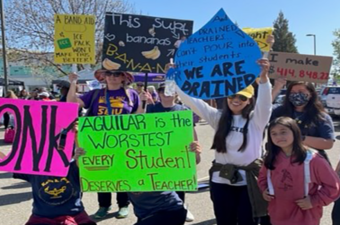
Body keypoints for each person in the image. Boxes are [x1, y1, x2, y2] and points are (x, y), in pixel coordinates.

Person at [175, 59, 272, 225]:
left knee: (247, 220)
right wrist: (175, 77)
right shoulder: (218, 118)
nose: (236, 99)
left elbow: (265, 103)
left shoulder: (256, 119)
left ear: (249, 100)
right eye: (233, 95)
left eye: (242, 97)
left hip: (247, 182)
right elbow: (193, 102)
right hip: (221, 180)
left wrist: (264, 79)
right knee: (224, 220)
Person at [67, 69, 149, 219]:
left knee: (123, 172)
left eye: (117, 74)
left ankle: (123, 205)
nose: (112, 77)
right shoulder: (95, 94)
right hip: (98, 142)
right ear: (104, 77)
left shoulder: (131, 95)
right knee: (101, 171)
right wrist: (73, 83)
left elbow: (138, 118)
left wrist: (144, 103)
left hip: (123, 142)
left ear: (123, 77)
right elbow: (72, 104)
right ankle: (103, 205)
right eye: (109, 74)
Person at [258, 117, 340, 225]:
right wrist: (265, 190)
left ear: (295, 133)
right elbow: (263, 178)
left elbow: (333, 186)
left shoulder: (313, 159)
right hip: (277, 215)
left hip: (305, 217)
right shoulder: (271, 158)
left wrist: (314, 201)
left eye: (283, 132)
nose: (279, 137)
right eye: (274, 133)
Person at [146, 83, 200, 222]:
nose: (166, 93)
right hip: (156, 152)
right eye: (163, 90)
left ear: (176, 93)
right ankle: (162, 209)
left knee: (179, 183)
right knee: (158, 182)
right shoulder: (151, 108)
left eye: (170, 90)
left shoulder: (183, 109)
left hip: (178, 152)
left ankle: (180, 208)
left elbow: (191, 131)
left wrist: (197, 152)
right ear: (158, 93)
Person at [12, 147, 97, 225]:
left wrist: (76, 138)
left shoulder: (72, 168)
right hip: (41, 218)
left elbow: (83, 160)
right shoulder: (34, 172)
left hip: (74, 215)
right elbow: (8, 162)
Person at [271, 81, 335, 163]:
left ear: (311, 93)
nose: (296, 95)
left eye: (301, 91)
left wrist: (299, 138)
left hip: (311, 163)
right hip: (282, 161)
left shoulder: (321, 117)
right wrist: (276, 88)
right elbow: (262, 109)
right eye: (292, 92)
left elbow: (328, 143)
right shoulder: (279, 111)